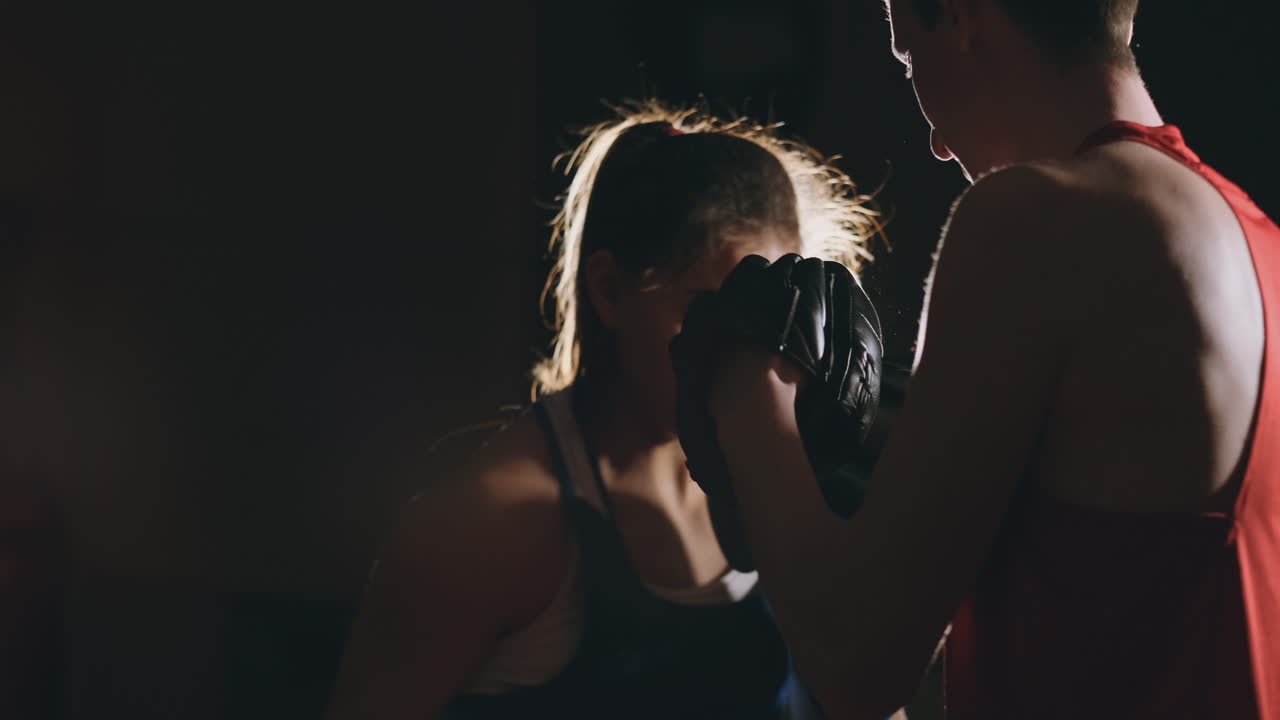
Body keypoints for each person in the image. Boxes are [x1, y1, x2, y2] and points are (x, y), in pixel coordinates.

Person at [682, 1, 1279, 718]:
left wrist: (748, 391)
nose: (933, 141)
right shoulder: (1256, 239)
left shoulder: (1038, 219)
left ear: (965, 19)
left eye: (909, 60)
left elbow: (856, 667)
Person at [323, 101, 882, 719]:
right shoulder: (490, 525)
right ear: (611, 290)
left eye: (772, 320)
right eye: (714, 315)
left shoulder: (791, 487)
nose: (751, 361)